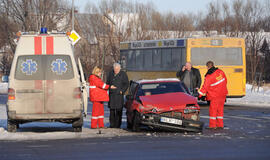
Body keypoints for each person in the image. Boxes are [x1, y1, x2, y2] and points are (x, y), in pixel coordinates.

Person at [198, 61, 228, 129]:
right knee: (220, 110)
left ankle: (212, 126)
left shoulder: (209, 76)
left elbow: (205, 87)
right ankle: (220, 125)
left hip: (214, 95)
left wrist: (199, 95)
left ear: (207, 67)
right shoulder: (221, 72)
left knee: (213, 111)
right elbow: (225, 80)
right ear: (213, 65)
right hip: (223, 94)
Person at [106, 63, 129, 128]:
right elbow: (107, 83)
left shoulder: (123, 74)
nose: (116, 70)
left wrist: (122, 91)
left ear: (120, 69)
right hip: (112, 95)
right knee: (112, 111)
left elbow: (126, 84)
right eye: (115, 69)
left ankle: (118, 124)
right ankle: (112, 124)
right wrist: (110, 87)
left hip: (119, 95)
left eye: (117, 69)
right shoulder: (110, 73)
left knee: (119, 110)